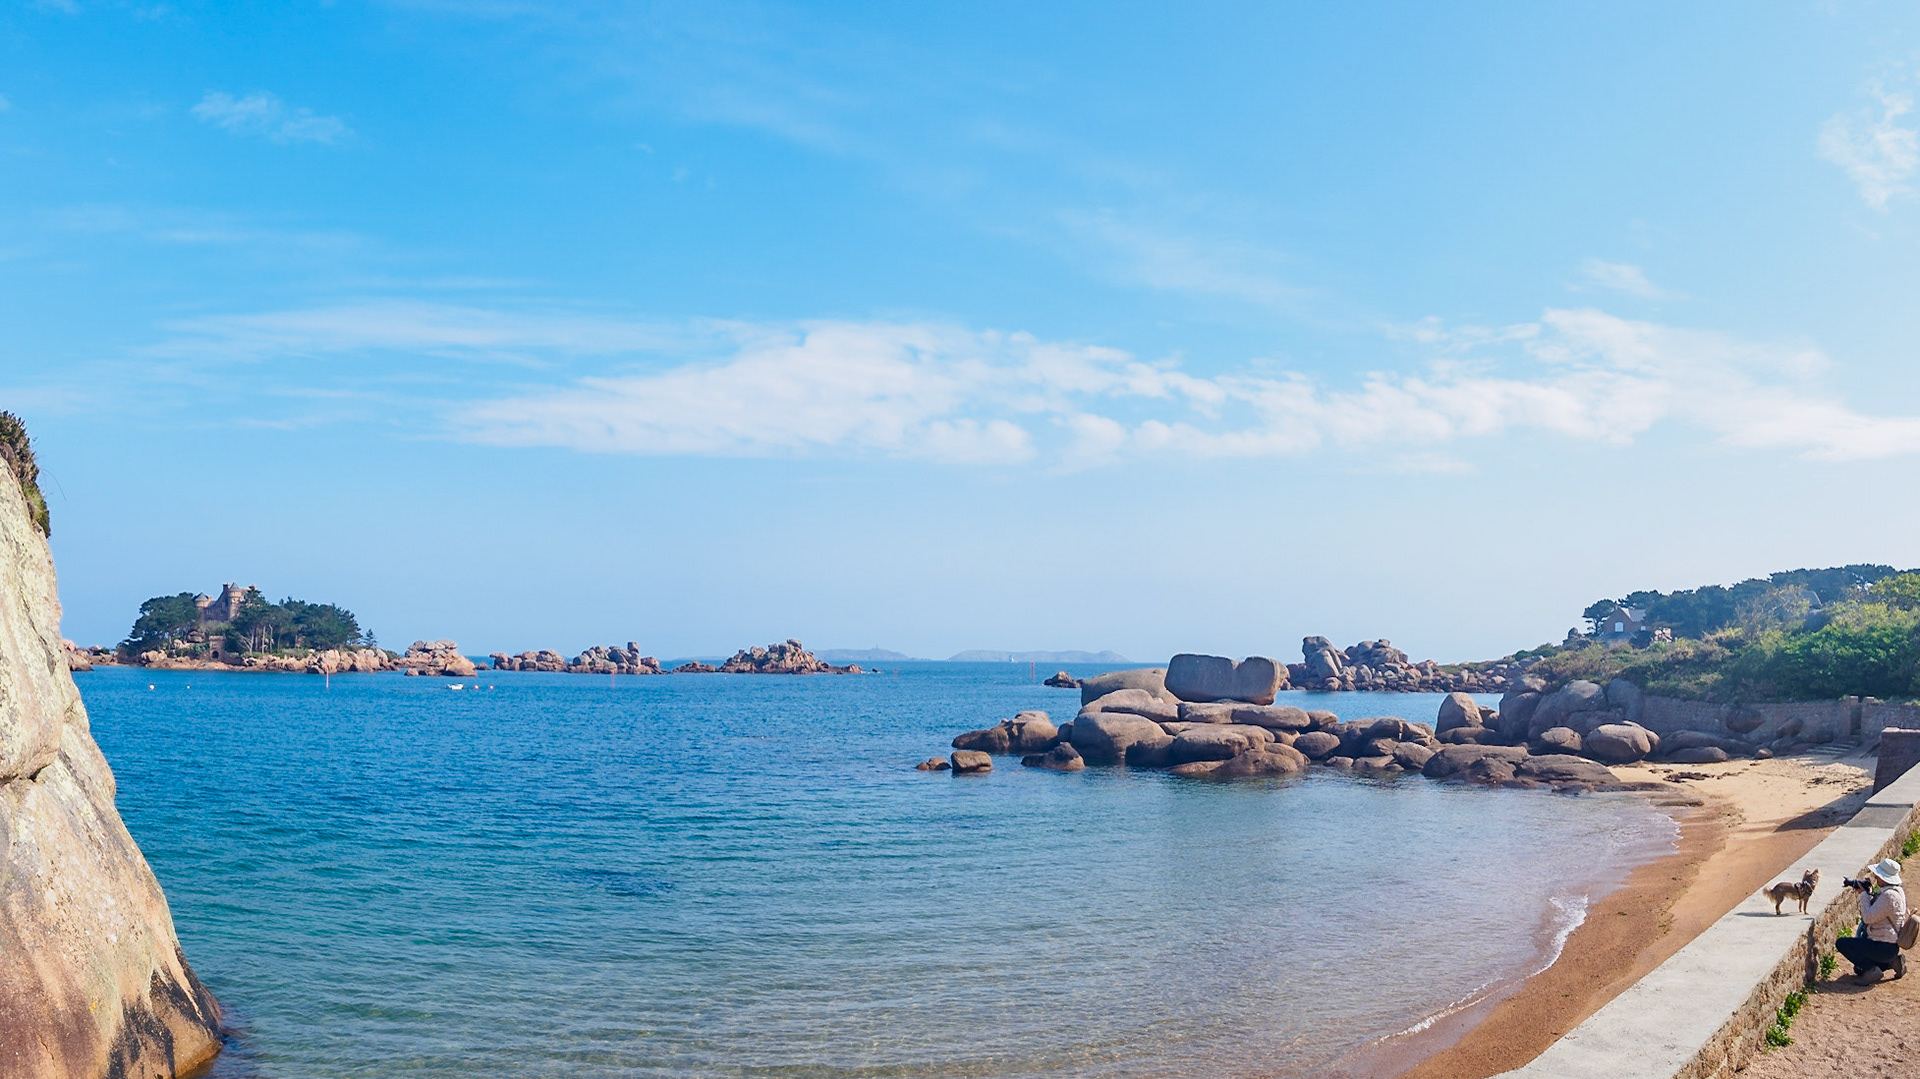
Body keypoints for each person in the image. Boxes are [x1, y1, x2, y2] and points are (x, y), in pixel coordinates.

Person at [1835, 858, 1908, 984]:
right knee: (1858, 969)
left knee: (1842, 943)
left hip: (1881, 947)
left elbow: (1868, 917)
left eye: (1878, 875)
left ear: (1885, 878)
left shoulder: (1889, 896)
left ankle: (1873, 971)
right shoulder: (1897, 891)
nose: (1875, 877)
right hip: (1889, 947)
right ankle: (1893, 962)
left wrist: (1863, 894)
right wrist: (1869, 893)